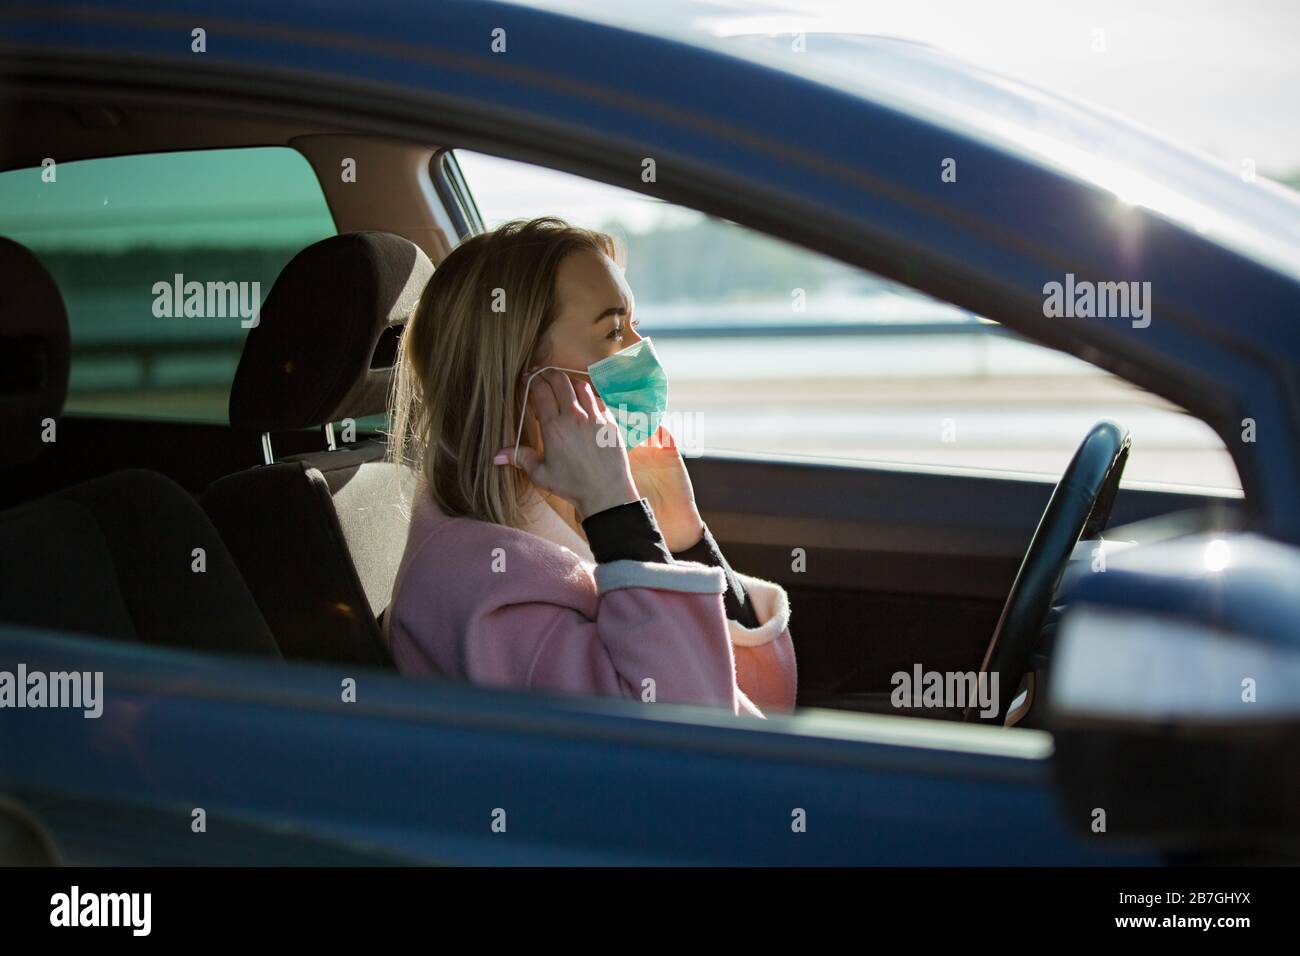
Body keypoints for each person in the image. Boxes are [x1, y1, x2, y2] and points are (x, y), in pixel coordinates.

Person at [384, 216, 796, 717]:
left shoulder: (559, 523)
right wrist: (617, 513)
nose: (640, 350)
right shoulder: (491, 596)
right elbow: (691, 744)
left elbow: (760, 701)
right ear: (524, 377)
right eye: (612, 330)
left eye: (633, 324)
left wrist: (679, 534)